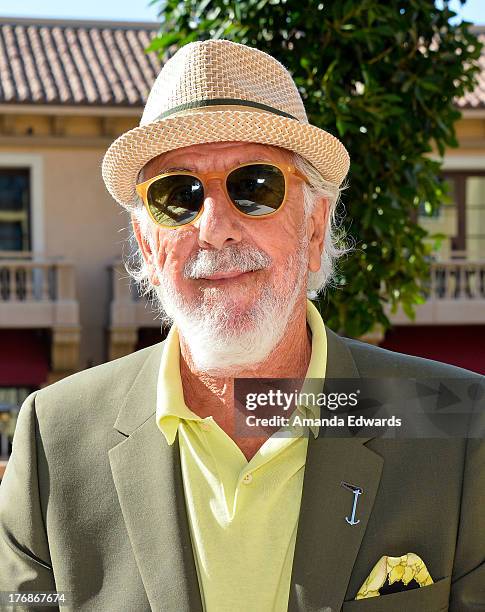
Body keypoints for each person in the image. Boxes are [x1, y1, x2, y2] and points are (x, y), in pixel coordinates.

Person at [0, 39, 483, 612]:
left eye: (255, 187)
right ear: (148, 249)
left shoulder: (453, 420)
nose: (215, 228)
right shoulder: (54, 437)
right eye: (177, 196)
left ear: (314, 228)